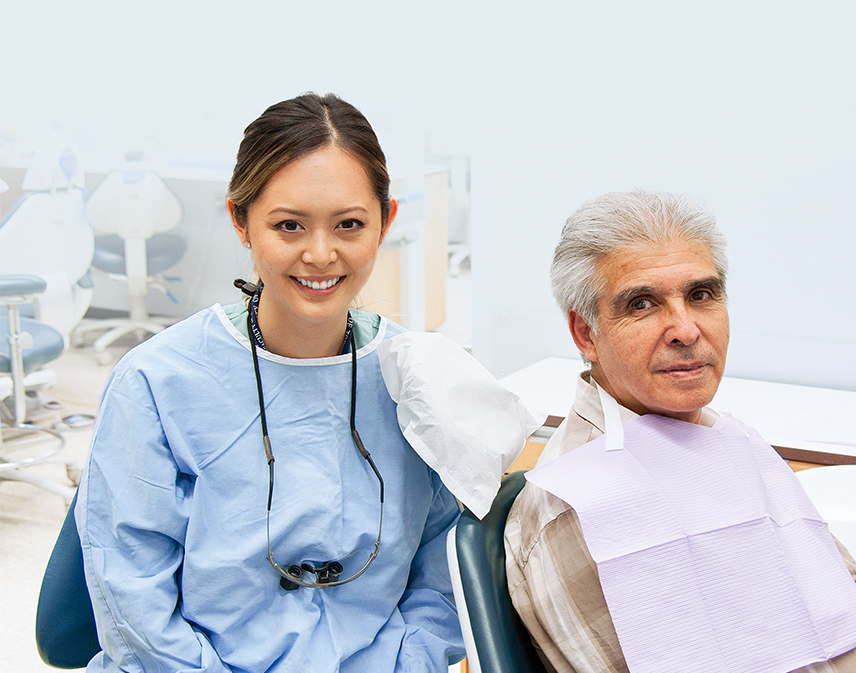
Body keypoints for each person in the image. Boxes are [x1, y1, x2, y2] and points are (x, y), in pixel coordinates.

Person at [504, 190, 856, 673]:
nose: (687, 330)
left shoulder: (725, 439)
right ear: (586, 332)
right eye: (642, 304)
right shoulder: (577, 510)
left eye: (701, 295)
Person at [78, 93, 532, 672]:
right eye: (288, 225)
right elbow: (129, 586)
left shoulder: (422, 379)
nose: (321, 254)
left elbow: (445, 569)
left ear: (385, 222)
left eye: (349, 225)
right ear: (241, 221)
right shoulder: (158, 381)